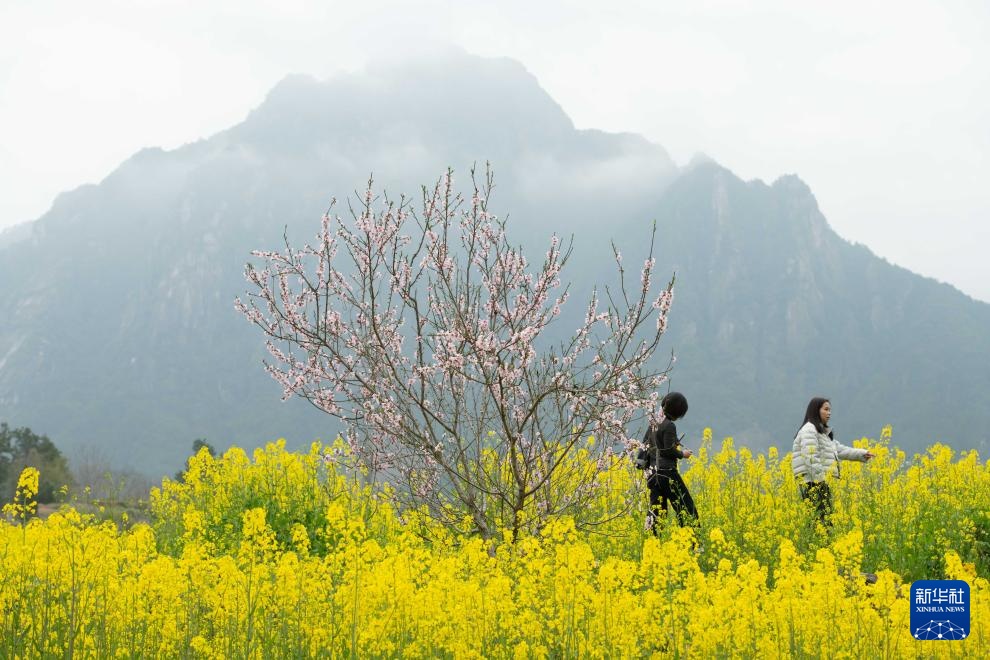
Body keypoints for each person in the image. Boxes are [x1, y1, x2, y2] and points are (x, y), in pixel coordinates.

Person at [791, 397, 874, 526]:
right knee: (821, 523)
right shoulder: (809, 430)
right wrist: (821, 481)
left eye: (830, 410)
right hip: (813, 482)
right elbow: (810, 457)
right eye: (826, 409)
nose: (829, 413)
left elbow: (839, 450)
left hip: (817, 482)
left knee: (822, 522)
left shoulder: (821, 433)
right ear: (816, 410)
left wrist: (862, 454)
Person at [644, 392, 699, 535]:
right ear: (678, 412)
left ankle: (652, 541)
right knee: (686, 508)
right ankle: (693, 541)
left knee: (656, 511)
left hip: (653, 474)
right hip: (667, 473)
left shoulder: (653, 422)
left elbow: (646, 445)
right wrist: (682, 454)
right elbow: (668, 450)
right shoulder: (669, 426)